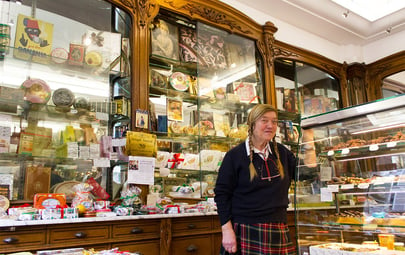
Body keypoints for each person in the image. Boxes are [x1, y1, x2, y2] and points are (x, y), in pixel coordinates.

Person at [214, 104, 296, 255]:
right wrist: (227, 230)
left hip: (278, 228)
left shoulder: (283, 153)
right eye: (264, 120)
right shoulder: (235, 156)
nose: (270, 126)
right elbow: (221, 194)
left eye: (274, 121)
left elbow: (307, 174)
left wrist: (309, 141)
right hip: (245, 229)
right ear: (252, 124)